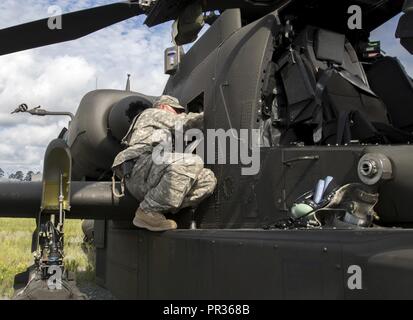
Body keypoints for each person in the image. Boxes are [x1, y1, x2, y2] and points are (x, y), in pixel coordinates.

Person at [112, 95, 217, 232]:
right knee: (192, 162)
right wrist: (212, 113)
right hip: (138, 166)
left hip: (152, 176)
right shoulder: (152, 113)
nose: (180, 113)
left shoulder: (162, 129)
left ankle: (159, 208)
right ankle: (147, 211)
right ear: (163, 106)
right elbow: (184, 122)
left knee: (207, 180)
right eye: (176, 110)